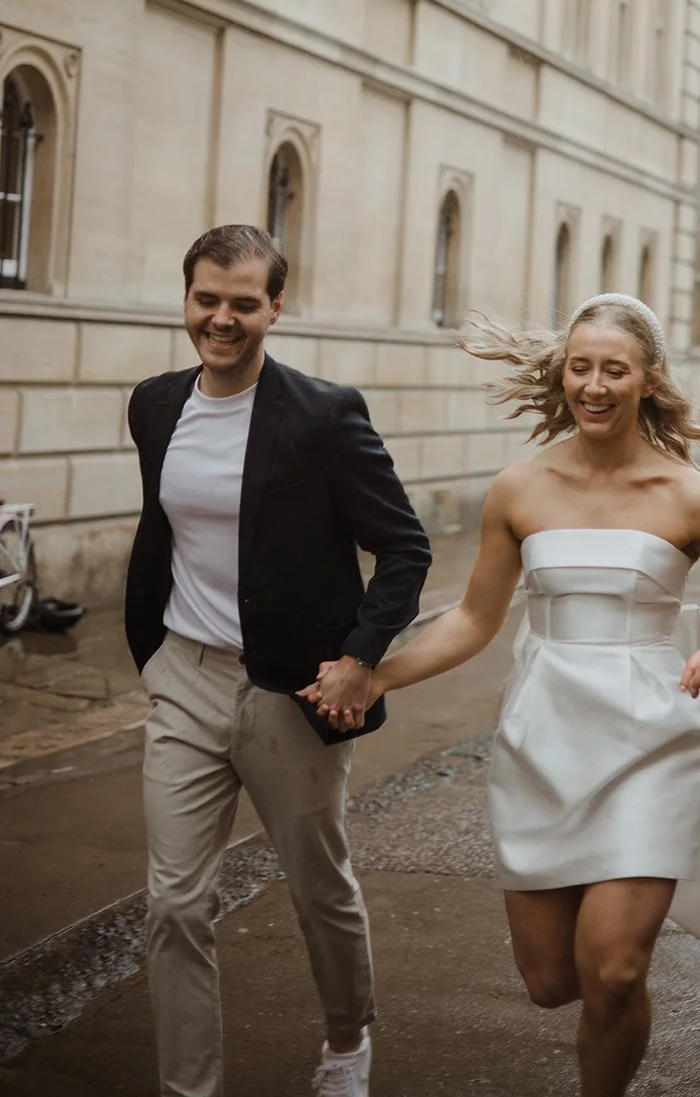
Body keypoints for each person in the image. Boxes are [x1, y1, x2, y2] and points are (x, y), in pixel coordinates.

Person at [302, 292, 700, 1097]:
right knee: (552, 980)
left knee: (617, 967)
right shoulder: (519, 489)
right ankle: (615, 1009)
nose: (595, 385)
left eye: (615, 370)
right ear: (563, 374)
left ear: (648, 380)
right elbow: (472, 618)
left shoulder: (691, 496)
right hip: (543, 739)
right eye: (582, 367)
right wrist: (375, 672)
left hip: (653, 742)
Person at [124, 224, 431, 1097]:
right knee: (175, 904)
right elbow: (167, 531)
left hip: (291, 690)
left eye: (243, 304)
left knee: (317, 887)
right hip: (184, 676)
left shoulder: (324, 415)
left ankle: (346, 1042)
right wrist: (153, 653)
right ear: (187, 300)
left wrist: (358, 658)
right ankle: (190, 1088)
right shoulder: (153, 404)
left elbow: (405, 549)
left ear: (274, 308)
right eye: (206, 301)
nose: (222, 320)